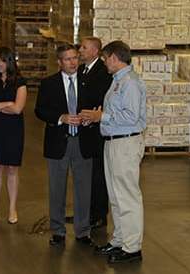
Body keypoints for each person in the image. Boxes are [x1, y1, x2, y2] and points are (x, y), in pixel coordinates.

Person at [81, 40, 146, 263]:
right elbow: (116, 111)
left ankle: (132, 247)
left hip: (125, 143)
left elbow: (131, 116)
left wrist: (103, 117)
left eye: (106, 58)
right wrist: (100, 115)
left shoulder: (130, 83)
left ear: (115, 59)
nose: (104, 63)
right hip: (112, 141)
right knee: (116, 196)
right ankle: (120, 240)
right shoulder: (117, 81)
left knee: (127, 196)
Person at [34, 43, 96, 247]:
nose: (73, 62)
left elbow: (96, 107)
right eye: (68, 59)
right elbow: (40, 110)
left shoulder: (88, 82)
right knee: (57, 189)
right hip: (58, 142)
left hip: (83, 141)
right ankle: (58, 230)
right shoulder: (48, 84)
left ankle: (83, 231)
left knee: (83, 188)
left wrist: (90, 118)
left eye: (75, 58)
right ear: (59, 62)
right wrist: (61, 117)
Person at [0, 47, 27, 225]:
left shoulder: (20, 82)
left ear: (9, 61)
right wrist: (8, 103)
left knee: (12, 169)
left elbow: (18, 109)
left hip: (13, 129)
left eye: (0, 61)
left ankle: (12, 208)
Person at [78, 37, 113, 228]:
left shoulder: (102, 72)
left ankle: (99, 214)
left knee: (98, 174)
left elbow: (99, 99)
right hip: (86, 129)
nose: (80, 50)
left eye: (84, 47)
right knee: (88, 174)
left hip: (97, 130)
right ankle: (88, 211)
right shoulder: (83, 70)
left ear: (95, 51)